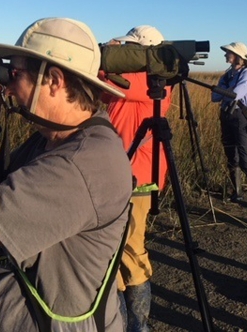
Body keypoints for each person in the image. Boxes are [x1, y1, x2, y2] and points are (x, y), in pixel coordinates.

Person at [0, 18, 133, 331]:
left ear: (53, 80)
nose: (8, 87)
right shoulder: (57, 136)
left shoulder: (81, 164)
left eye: (15, 74)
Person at [101, 25, 172, 332]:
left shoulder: (152, 82)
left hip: (137, 176)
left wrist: (107, 52)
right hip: (117, 172)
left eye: (130, 50)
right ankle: (120, 321)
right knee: (111, 247)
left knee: (130, 246)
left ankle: (137, 324)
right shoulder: (127, 81)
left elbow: (100, 73)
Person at [211, 42, 247, 209]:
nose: (226, 55)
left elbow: (234, 95)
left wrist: (225, 89)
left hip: (240, 117)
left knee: (244, 154)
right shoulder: (227, 75)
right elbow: (215, 97)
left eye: (229, 53)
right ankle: (237, 193)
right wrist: (226, 90)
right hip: (226, 115)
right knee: (230, 153)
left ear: (238, 56)